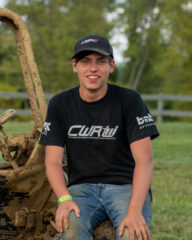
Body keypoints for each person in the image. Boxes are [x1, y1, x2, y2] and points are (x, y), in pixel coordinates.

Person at [39, 34, 159, 240]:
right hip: (81, 189)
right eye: (86, 62)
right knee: (72, 230)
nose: (93, 69)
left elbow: (145, 160)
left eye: (101, 61)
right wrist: (64, 198)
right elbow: (52, 161)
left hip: (125, 187)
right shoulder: (59, 104)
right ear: (75, 66)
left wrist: (135, 211)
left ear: (111, 66)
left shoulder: (129, 101)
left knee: (133, 233)